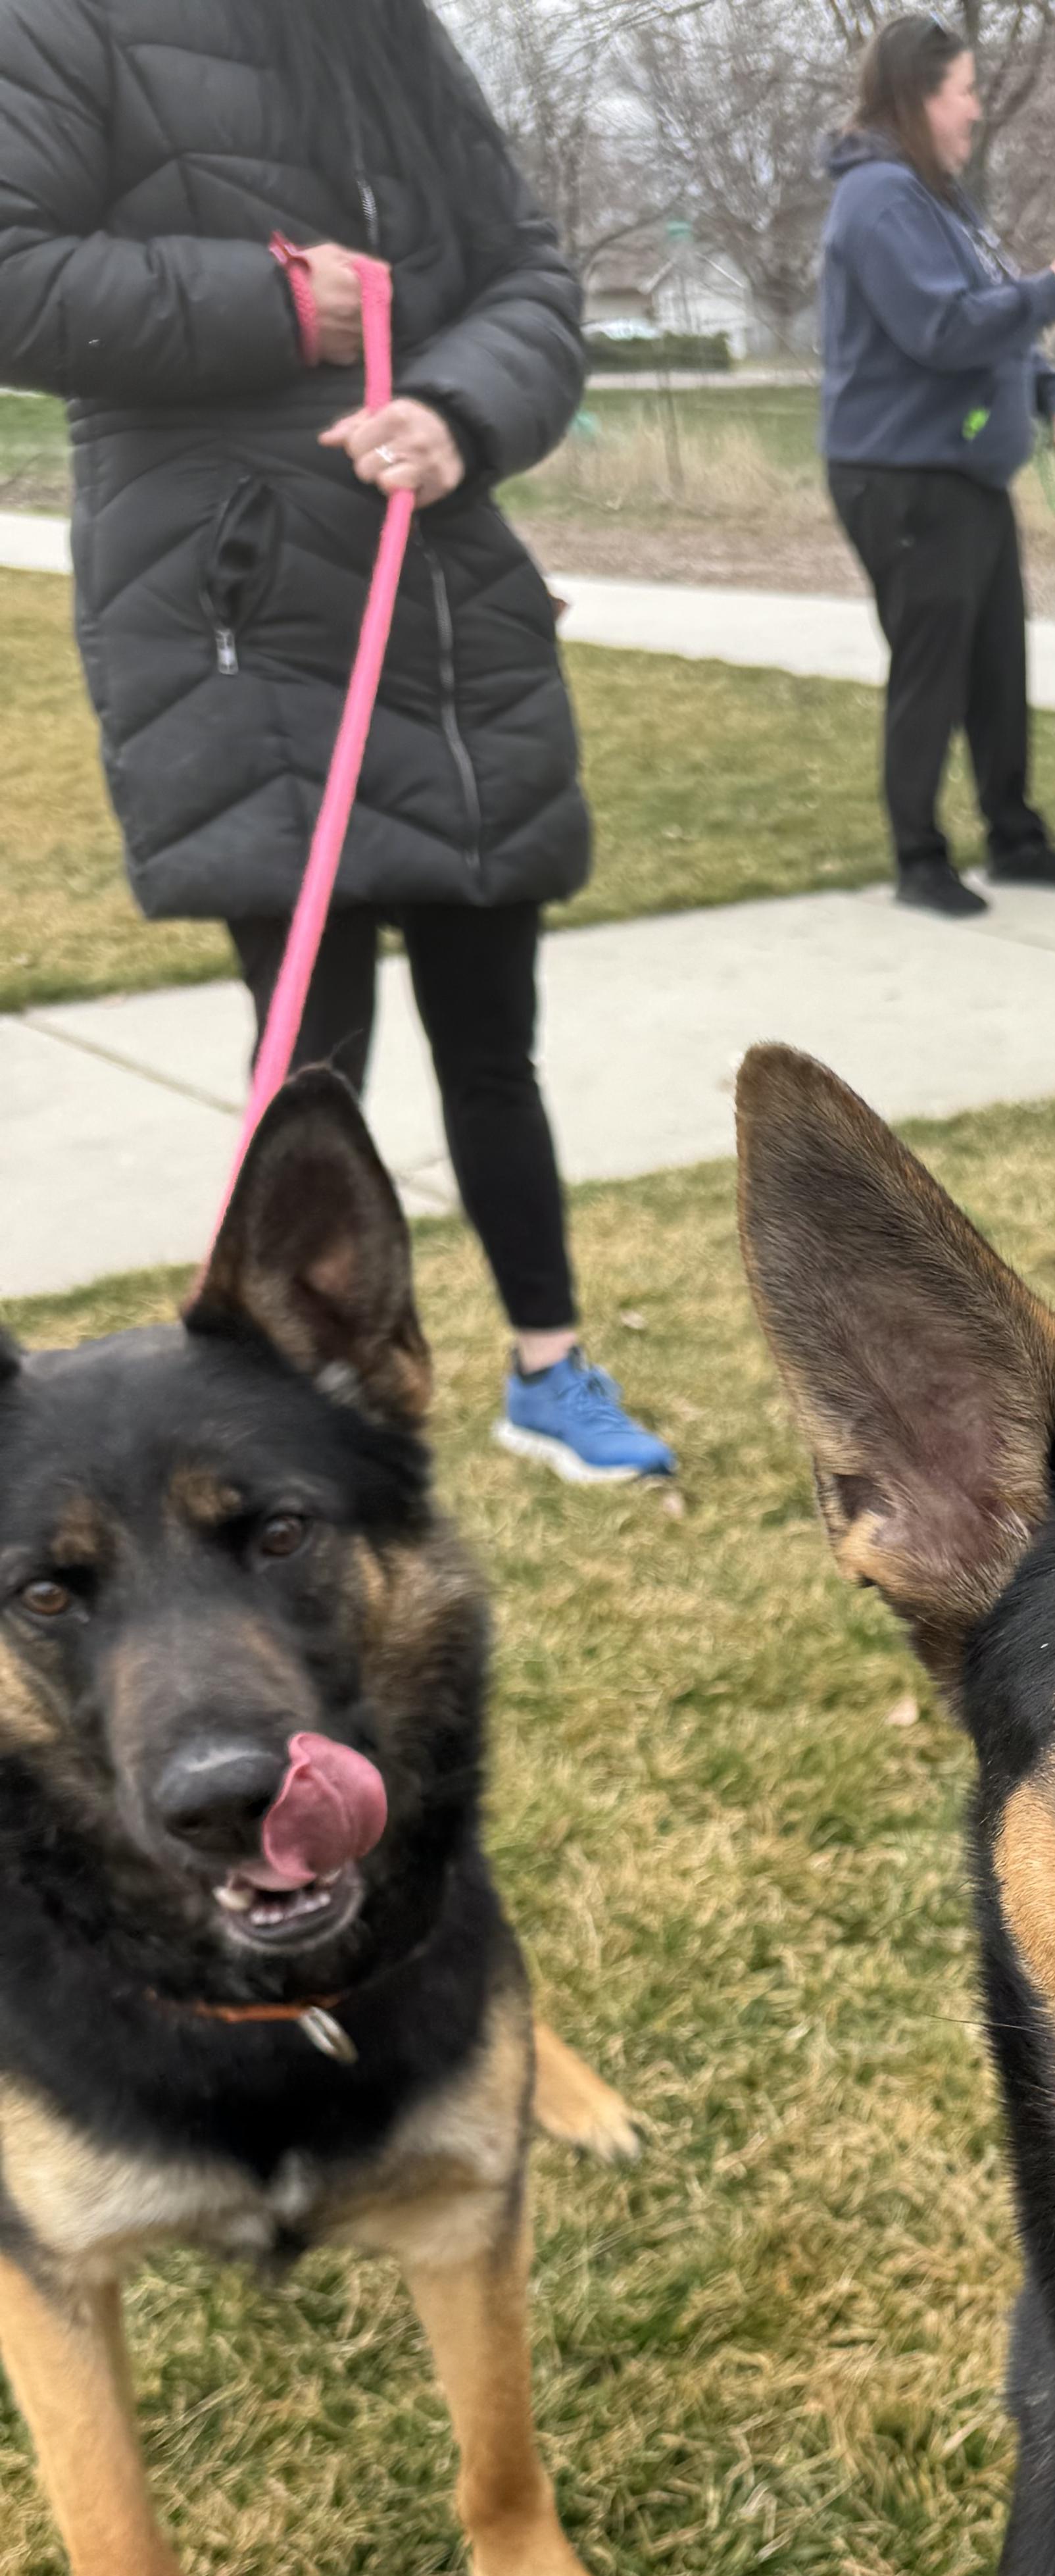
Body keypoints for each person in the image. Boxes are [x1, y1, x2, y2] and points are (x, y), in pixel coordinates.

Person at [0, 0, 674, 1486]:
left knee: (496, 1041)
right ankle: (275, 1397)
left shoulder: (394, 35)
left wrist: (456, 407)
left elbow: (532, 281)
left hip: (438, 609)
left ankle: (550, 1369)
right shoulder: (71, 23)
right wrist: (269, 299)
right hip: (242, 619)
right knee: (313, 1060)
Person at [818, 16, 1055, 919]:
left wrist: (1050, 389)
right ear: (920, 97)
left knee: (994, 662)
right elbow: (940, 331)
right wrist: (1051, 295)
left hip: (965, 474)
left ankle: (1014, 836)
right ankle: (920, 858)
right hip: (903, 475)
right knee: (932, 669)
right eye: (966, 93)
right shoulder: (880, 200)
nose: (977, 112)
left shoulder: (940, 199)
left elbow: (992, 313)